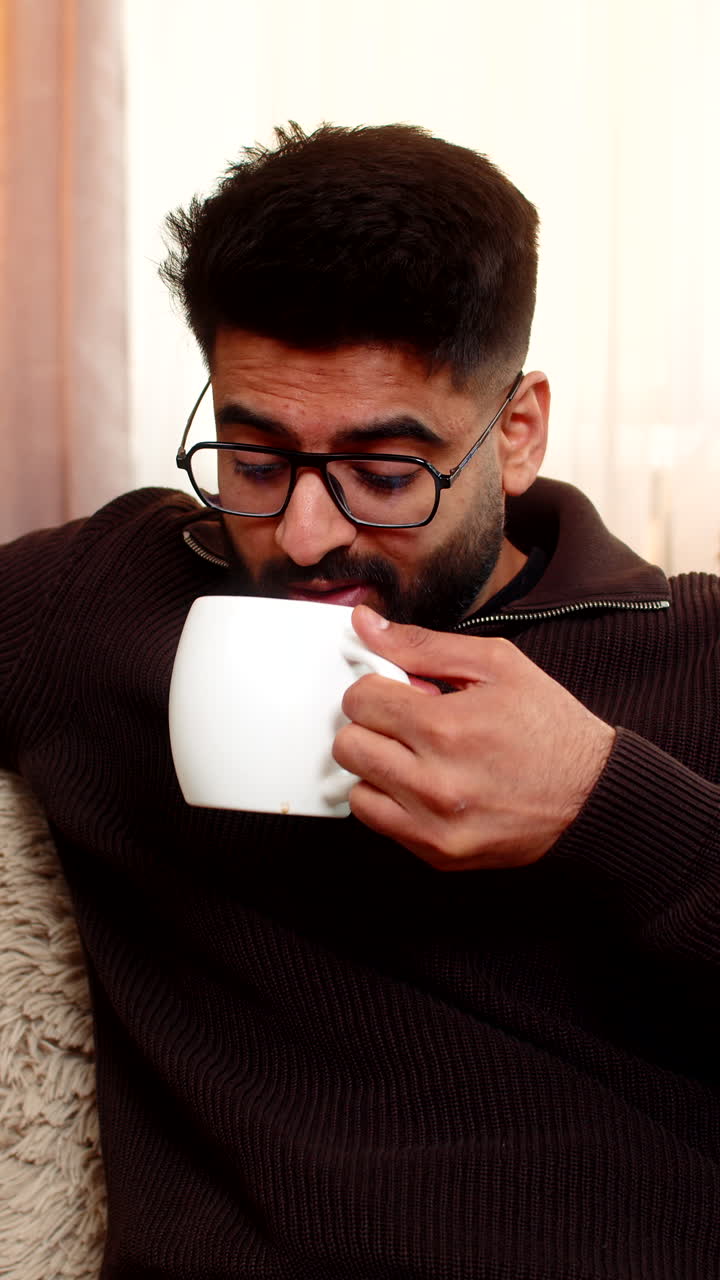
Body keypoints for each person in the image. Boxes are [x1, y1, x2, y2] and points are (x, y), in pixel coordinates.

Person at [1, 121, 719, 1279]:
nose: (305, 532)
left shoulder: (690, 648)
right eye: (256, 457)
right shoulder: (108, 598)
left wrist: (607, 800)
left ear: (517, 431)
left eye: (388, 475)